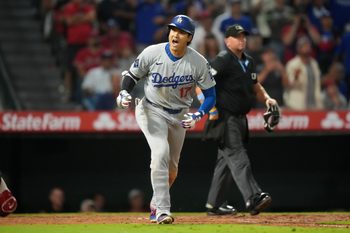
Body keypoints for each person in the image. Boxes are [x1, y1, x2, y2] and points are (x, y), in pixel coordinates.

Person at [116, 14, 216, 224]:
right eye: (173, 30)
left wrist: (198, 114)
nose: (175, 34)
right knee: (160, 152)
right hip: (151, 109)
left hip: (179, 116)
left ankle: (155, 204)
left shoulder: (198, 61)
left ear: (189, 38)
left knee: (172, 171)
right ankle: (162, 211)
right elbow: (131, 76)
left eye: (181, 32)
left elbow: (210, 95)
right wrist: (124, 93)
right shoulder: (153, 52)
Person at [201, 24, 278, 216]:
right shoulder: (223, 58)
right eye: (237, 37)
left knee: (225, 162)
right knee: (238, 156)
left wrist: (267, 98)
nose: (242, 39)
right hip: (224, 118)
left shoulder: (249, 62)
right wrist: (210, 107)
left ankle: (215, 204)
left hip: (240, 119)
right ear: (227, 40)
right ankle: (253, 197)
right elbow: (203, 83)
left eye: (243, 36)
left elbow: (255, 85)